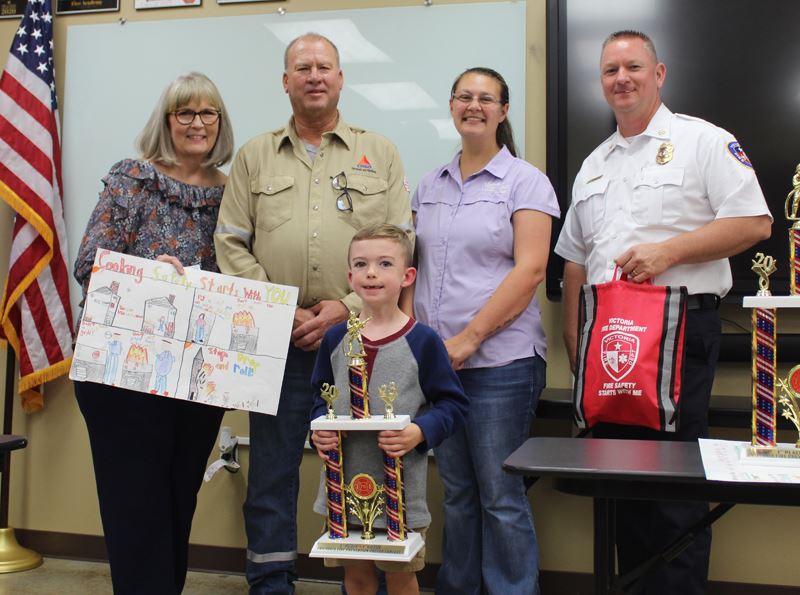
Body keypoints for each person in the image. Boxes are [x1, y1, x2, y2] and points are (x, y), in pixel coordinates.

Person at [555, 31, 772, 595]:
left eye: (633, 66)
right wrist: (575, 342)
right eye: (610, 70)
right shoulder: (594, 163)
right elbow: (575, 259)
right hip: (609, 339)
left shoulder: (702, 141)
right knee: (620, 485)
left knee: (675, 490)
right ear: (600, 82)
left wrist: (667, 252)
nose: (621, 78)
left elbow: (754, 222)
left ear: (659, 74)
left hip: (678, 331)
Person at [213, 33, 413, 594]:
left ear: (341, 78)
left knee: (365, 465)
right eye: (302, 67)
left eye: (325, 66)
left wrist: (343, 308)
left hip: (359, 339)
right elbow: (229, 243)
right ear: (286, 81)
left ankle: (368, 576)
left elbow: (401, 240)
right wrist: (279, 311)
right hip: (277, 341)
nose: (315, 76)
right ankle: (271, 580)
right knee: (273, 471)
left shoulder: (381, 150)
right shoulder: (253, 155)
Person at [73, 72, 234, 595]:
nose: (197, 123)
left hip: (197, 375)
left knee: (177, 497)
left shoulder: (232, 193)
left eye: (207, 113)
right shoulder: (131, 178)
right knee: (135, 503)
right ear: (167, 121)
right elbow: (89, 262)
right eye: (184, 113)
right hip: (124, 371)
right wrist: (146, 268)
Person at [412, 67, 560, 595]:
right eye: (464, 97)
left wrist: (469, 339)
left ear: (502, 111)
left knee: (500, 493)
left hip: (503, 364)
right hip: (439, 366)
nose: (474, 106)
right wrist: (416, 346)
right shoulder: (428, 185)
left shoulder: (526, 181)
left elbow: (531, 271)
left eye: (486, 99)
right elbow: (413, 272)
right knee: (455, 492)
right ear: (452, 106)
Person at [309, 224, 468, 595]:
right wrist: (317, 429)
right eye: (361, 264)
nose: (371, 273)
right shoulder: (334, 339)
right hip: (344, 487)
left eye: (384, 264)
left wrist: (420, 431)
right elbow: (319, 397)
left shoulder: (424, 342)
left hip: (401, 491)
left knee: (400, 576)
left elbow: (454, 405)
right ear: (349, 276)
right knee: (357, 576)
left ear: (407, 276)